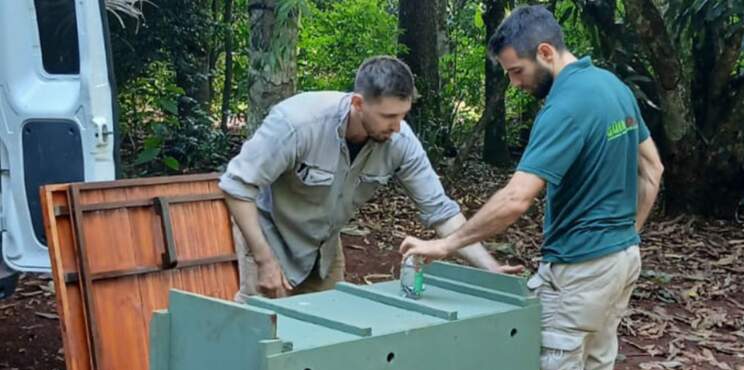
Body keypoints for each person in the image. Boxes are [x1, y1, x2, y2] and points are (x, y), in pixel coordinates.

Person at [400, 6, 664, 370]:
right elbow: (652, 169)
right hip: (622, 262)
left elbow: (516, 198)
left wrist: (447, 243)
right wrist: (624, 236)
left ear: (545, 52)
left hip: (578, 270)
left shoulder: (565, 106)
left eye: (517, 70)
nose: (515, 83)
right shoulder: (612, 86)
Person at [220, 55, 520, 301]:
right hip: (271, 236)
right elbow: (237, 186)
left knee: (325, 338)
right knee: (264, 337)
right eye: (389, 117)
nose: (398, 127)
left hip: (325, 247)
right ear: (358, 104)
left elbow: (441, 211)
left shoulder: (401, 141)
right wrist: (264, 260)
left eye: (403, 116)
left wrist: (490, 267)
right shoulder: (297, 123)